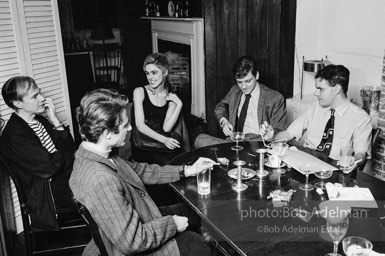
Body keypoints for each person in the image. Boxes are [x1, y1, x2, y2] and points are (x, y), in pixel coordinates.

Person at [70, 88, 214, 256]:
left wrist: (188, 170)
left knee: (196, 210)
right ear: (107, 133)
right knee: (196, 244)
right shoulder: (101, 180)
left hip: (136, 220)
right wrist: (173, 224)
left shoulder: (95, 155)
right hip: (134, 245)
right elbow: (134, 241)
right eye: (125, 125)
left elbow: (140, 170)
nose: (131, 128)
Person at [261, 64, 372, 172]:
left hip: (334, 170)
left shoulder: (361, 118)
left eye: (321, 89)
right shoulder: (314, 107)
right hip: (306, 165)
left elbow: (360, 154)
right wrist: (272, 137)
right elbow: (289, 133)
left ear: (337, 89)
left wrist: (355, 162)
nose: (316, 93)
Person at [0, 76, 75, 231]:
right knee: (99, 182)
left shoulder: (40, 120)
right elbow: (50, 168)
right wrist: (66, 155)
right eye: (35, 96)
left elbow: (70, 148)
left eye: (39, 93)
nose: (42, 98)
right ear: (18, 103)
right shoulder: (15, 134)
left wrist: (55, 120)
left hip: (60, 179)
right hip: (45, 194)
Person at [194, 55, 287, 148]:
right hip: (234, 142)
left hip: (258, 144)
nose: (243, 87)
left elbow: (280, 130)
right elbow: (220, 106)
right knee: (200, 139)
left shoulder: (275, 98)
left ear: (257, 75)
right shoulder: (235, 90)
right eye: (239, 82)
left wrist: (270, 135)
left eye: (248, 81)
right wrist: (224, 121)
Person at [132, 52, 190, 164]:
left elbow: (167, 128)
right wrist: (164, 140)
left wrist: (179, 104)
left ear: (165, 72)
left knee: (179, 161)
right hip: (143, 144)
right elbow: (140, 125)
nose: (150, 77)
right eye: (147, 73)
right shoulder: (139, 92)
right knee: (171, 163)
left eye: (154, 73)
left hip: (162, 144)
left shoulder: (170, 96)